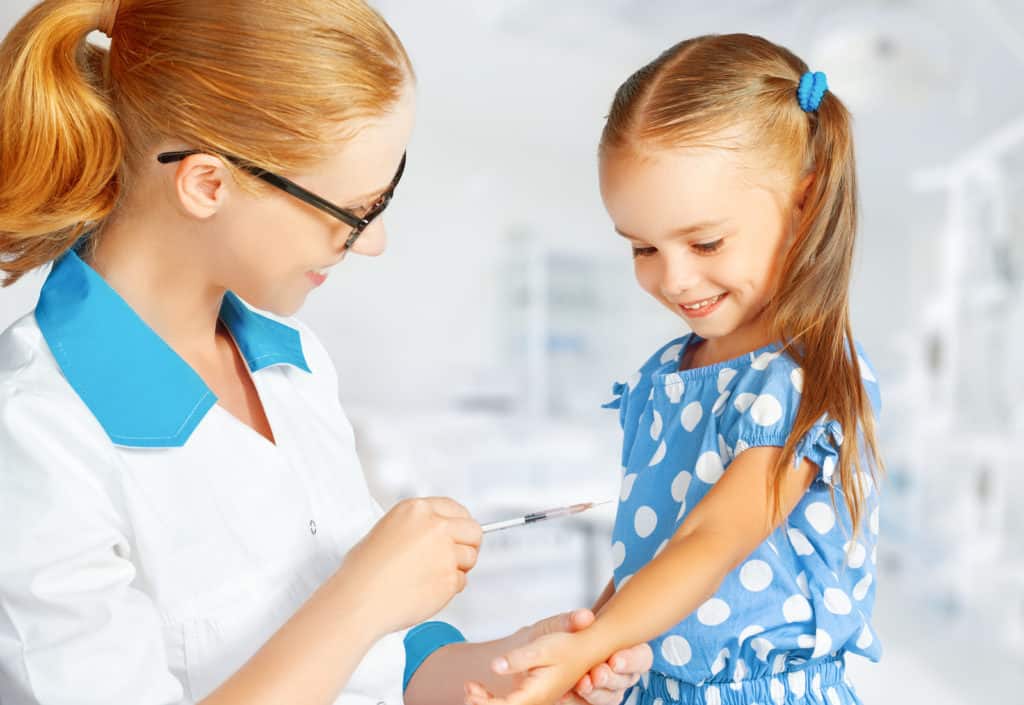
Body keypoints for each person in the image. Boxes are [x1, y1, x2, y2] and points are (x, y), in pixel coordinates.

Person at [0, 2, 653, 704]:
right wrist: (365, 595)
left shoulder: (292, 362)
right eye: (351, 215)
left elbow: (376, 669)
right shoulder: (36, 436)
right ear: (206, 184)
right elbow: (347, 619)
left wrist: (514, 666)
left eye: (383, 199)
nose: (373, 242)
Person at [464, 33, 884, 705]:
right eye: (642, 248)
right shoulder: (667, 373)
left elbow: (711, 539)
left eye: (705, 241)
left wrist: (589, 644)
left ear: (803, 208)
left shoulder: (800, 378)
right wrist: (587, 650)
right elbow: (654, 554)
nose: (674, 278)